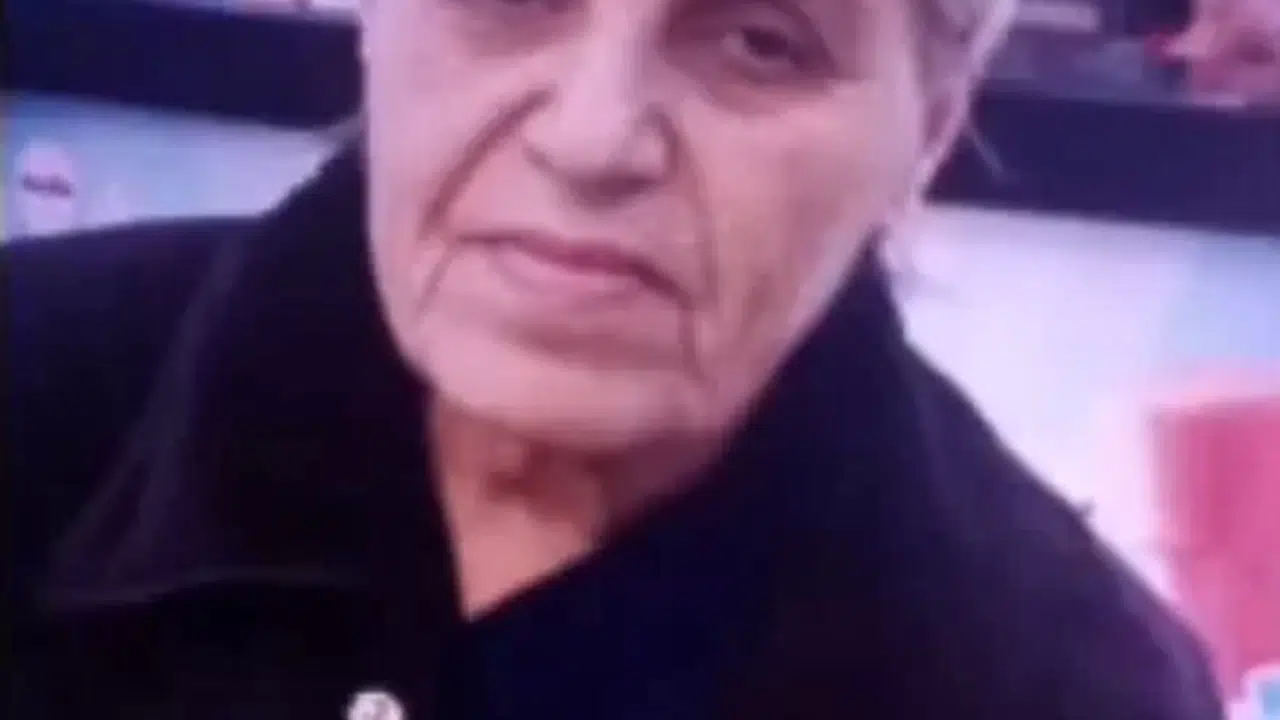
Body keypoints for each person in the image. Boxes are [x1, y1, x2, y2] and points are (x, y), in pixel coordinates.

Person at [10, 0, 1225, 718]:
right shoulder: (33, 390)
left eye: (761, 41)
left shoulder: (1065, 688)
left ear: (927, 133)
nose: (591, 138)